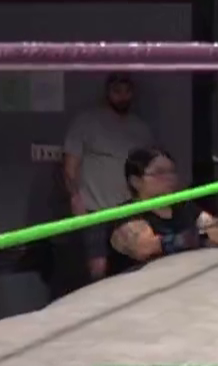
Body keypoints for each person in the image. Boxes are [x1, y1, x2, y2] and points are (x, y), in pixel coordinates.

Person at [64, 73, 156, 282]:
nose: (122, 96)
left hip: (129, 209)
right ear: (107, 93)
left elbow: (149, 168)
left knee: (134, 266)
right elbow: (70, 165)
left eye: (127, 91)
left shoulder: (141, 128)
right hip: (94, 210)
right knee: (98, 268)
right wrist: (75, 198)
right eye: (117, 91)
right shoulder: (86, 122)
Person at [107, 147, 218, 275]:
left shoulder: (183, 207)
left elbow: (212, 226)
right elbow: (144, 248)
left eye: (172, 172)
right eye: (160, 172)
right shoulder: (126, 213)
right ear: (136, 181)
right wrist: (203, 237)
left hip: (183, 278)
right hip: (139, 285)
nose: (169, 178)